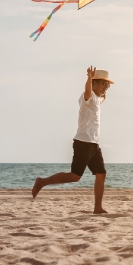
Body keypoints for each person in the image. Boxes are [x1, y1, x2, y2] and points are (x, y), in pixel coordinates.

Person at [31, 66, 112, 214]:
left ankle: (98, 208)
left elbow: (99, 96)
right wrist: (89, 78)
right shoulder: (88, 96)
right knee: (75, 176)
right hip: (83, 143)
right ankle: (42, 181)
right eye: (103, 84)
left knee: (101, 174)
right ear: (94, 83)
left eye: (107, 85)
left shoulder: (97, 100)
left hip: (93, 144)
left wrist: (101, 89)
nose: (106, 87)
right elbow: (88, 91)